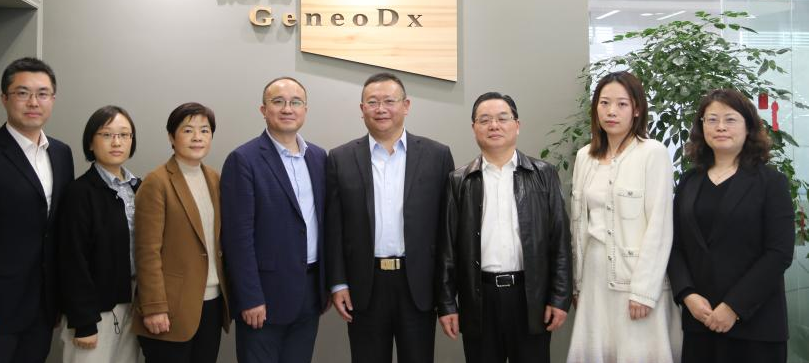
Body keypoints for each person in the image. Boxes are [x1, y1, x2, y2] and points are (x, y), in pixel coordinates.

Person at [326, 72, 455, 363]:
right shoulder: (340, 158)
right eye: (372, 102)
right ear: (362, 109)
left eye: (389, 101)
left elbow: (446, 229)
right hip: (364, 285)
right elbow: (334, 228)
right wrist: (338, 283)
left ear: (406, 105)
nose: (381, 108)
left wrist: (446, 291)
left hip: (418, 285)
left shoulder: (437, 156)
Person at [436, 92, 571, 363]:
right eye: (484, 120)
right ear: (474, 128)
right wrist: (447, 304)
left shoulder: (543, 174)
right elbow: (447, 249)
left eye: (502, 118)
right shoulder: (459, 180)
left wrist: (560, 297)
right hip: (479, 299)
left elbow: (560, 241)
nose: (494, 126)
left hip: (530, 297)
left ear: (517, 125)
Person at [668, 88, 794, 363]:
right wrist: (687, 294)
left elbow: (779, 252)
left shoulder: (771, 182)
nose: (720, 127)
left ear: (748, 126)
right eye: (712, 120)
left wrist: (733, 307)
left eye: (730, 119)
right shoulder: (689, 181)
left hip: (756, 326)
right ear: (701, 127)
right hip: (700, 321)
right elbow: (674, 245)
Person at [0, 57, 75, 363]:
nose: (33, 102)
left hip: (42, 309)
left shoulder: (62, 154)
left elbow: (58, 232)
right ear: (4, 98)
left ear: (53, 99)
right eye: (22, 93)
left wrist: (58, 300)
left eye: (42, 94)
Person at [566, 71, 681, 363]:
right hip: (593, 276)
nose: (611, 111)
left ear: (637, 109)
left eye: (621, 104)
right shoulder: (585, 156)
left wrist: (644, 291)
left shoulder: (653, 153)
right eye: (604, 103)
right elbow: (578, 225)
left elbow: (660, 226)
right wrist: (577, 284)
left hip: (635, 278)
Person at [221, 77, 328, 363]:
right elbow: (237, 238)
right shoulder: (243, 159)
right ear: (263, 109)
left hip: (310, 293)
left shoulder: (318, 157)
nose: (287, 109)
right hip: (263, 298)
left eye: (295, 102)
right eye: (278, 102)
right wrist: (250, 297)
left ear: (305, 109)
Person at [133, 103, 230, 363]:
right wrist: (154, 307)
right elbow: (146, 251)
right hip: (170, 307)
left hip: (212, 303)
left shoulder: (214, 179)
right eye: (188, 130)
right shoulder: (157, 182)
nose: (197, 137)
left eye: (205, 130)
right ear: (171, 137)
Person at [58, 106, 141, 363]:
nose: (117, 142)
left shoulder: (140, 188)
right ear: (90, 142)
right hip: (95, 310)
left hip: (134, 303)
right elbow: (71, 260)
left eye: (124, 135)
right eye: (106, 134)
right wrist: (83, 321)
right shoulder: (79, 192)